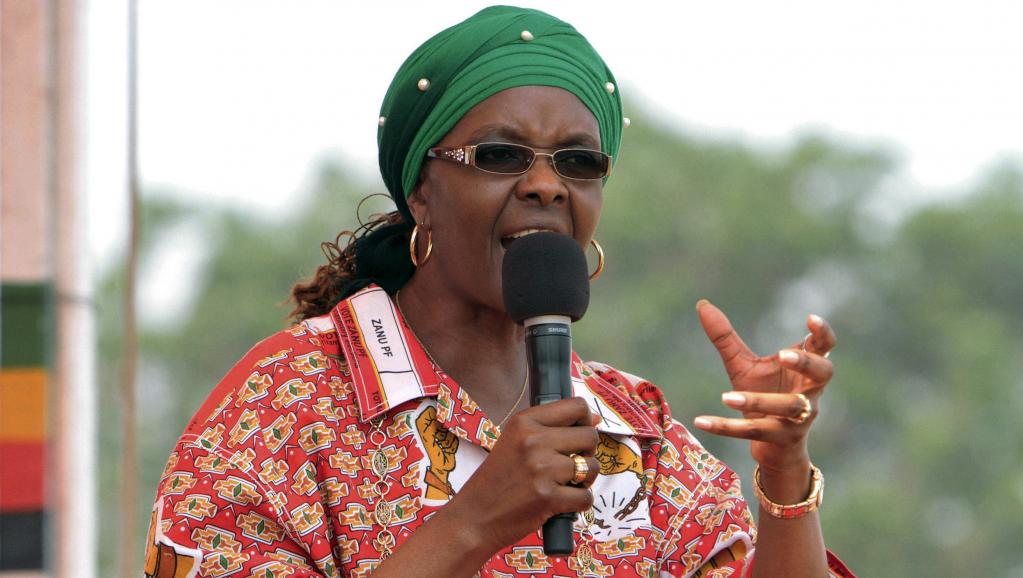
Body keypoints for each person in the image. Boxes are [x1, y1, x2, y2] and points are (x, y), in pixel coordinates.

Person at [143, 6, 854, 577]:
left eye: (578, 162)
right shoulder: (286, 403)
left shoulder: (637, 432)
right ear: (421, 193)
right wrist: (477, 520)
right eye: (500, 155)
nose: (546, 184)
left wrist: (784, 470)